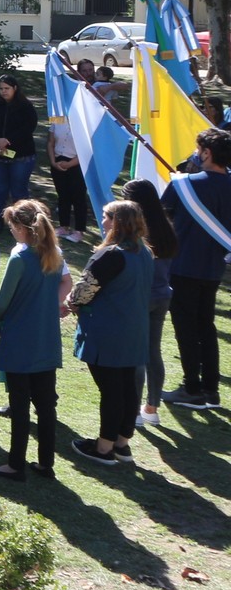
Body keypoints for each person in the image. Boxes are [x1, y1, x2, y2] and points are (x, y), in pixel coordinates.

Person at [0, 200, 69, 481]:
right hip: (47, 340)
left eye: (11, 227)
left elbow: (1, 302)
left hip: (20, 340)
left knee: (19, 405)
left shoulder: (20, 258)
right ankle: (45, 463)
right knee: (46, 406)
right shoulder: (53, 255)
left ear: (21, 228)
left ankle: (15, 464)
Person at [68, 199, 152, 465]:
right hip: (133, 331)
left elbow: (83, 291)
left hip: (108, 332)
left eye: (105, 217)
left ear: (116, 221)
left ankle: (103, 448)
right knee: (128, 388)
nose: (102, 221)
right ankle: (121, 443)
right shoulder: (145, 251)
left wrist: (71, 303)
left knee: (112, 390)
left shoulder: (111, 254)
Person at [164, 128, 231, 409]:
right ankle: (211, 390)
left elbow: (160, 213)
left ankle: (192, 388)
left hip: (183, 264)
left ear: (207, 152)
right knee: (206, 326)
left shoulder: (185, 184)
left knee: (186, 328)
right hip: (213, 268)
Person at [127, 179, 181, 427]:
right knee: (153, 352)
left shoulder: (138, 231)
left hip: (141, 297)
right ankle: (151, 408)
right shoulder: (167, 226)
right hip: (162, 295)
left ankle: (135, 413)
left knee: (136, 354)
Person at [0, 74, 38, 223]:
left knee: (18, 190)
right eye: (1, 88)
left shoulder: (25, 107)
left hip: (21, 155)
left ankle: (23, 221)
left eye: (7, 88)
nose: (4, 92)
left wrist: (8, 140)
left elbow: (28, 128)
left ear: (15, 88)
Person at [48, 103, 93, 242]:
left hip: (76, 163)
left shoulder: (84, 122)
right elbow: (50, 142)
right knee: (63, 195)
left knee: (78, 197)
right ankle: (64, 226)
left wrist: (69, 164)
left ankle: (79, 230)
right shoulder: (58, 117)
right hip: (58, 161)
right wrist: (54, 161)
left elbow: (87, 148)